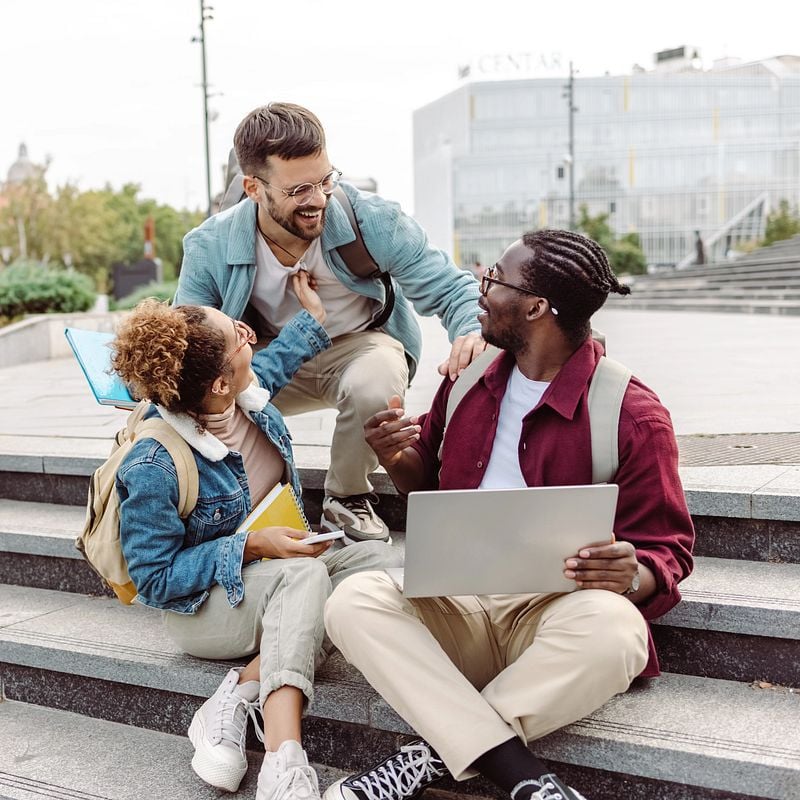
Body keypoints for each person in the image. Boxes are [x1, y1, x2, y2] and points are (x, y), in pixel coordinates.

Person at [323, 230, 695, 800]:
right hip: (458, 607)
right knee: (353, 600)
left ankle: (425, 759)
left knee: (620, 632)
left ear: (537, 307)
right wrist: (395, 455)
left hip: (555, 619)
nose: (482, 285)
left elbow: (668, 550)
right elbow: (422, 477)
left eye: (495, 278)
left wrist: (633, 572)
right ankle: (523, 777)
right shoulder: (468, 377)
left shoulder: (633, 414)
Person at [111, 274, 402, 800]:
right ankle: (283, 759)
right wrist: (251, 546)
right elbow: (153, 579)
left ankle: (239, 691)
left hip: (273, 577)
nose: (249, 334)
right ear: (219, 382)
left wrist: (312, 312)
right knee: (304, 573)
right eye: (239, 336)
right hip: (201, 609)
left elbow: (279, 357)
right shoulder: (155, 461)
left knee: (374, 561)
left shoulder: (242, 399)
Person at [174, 102, 484, 544]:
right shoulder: (209, 246)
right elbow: (189, 351)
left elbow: (454, 289)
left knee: (376, 378)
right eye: (298, 189)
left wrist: (471, 331)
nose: (317, 199)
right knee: (206, 396)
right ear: (254, 188)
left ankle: (348, 499)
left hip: (357, 347)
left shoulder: (373, 220)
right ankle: (229, 510)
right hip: (267, 360)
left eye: (324, 180)